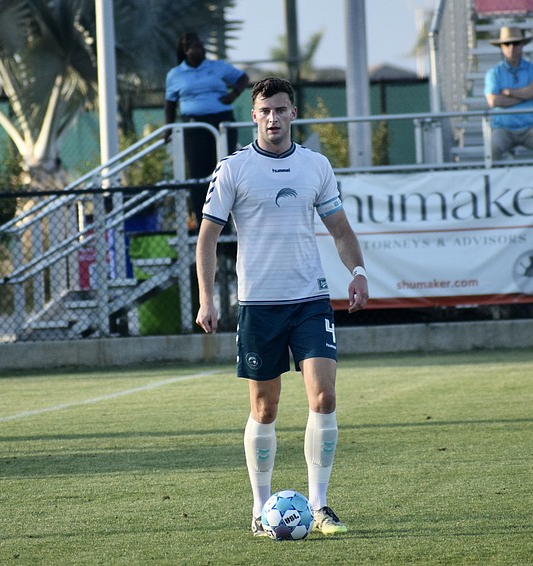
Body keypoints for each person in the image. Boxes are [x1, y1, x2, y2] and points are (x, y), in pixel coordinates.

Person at [194, 77, 369, 537]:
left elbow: (341, 231)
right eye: (265, 110)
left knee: (324, 396)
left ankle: (319, 505)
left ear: (294, 114)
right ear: (253, 115)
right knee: (265, 409)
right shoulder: (232, 169)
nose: (273, 118)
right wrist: (207, 297)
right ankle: (258, 508)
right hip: (259, 305)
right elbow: (207, 237)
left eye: (281, 109)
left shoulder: (315, 166)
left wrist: (357, 273)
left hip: (309, 300)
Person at [164, 31, 249, 225]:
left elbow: (242, 77)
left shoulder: (217, 66)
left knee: (225, 173)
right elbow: (169, 104)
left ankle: (228, 229)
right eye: (196, 47)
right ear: (186, 51)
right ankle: (203, 225)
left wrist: (233, 94)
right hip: (195, 127)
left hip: (221, 123)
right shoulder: (175, 74)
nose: (201, 50)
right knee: (199, 176)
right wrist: (167, 129)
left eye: (202, 46)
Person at [484, 26, 533, 160]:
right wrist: (526, 96)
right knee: (491, 148)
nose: (512, 47)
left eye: (516, 43)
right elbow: (494, 101)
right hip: (503, 129)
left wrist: (509, 93)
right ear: (501, 47)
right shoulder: (494, 73)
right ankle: (497, 180)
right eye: (507, 44)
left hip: (531, 128)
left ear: (522, 45)